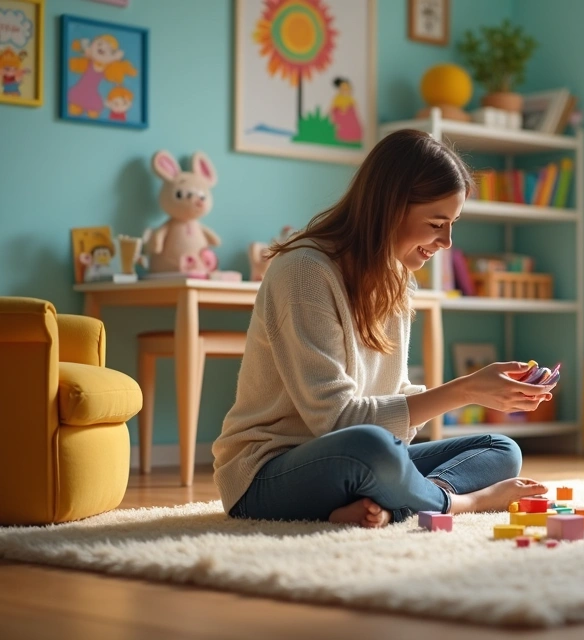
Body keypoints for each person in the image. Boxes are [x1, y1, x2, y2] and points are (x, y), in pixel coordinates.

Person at [213, 129, 554, 528]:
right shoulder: (304, 272)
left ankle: (395, 501)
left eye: (452, 224)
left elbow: (396, 402)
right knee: (372, 447)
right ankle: (459, 502)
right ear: (390, 209)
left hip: (358, 460)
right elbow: (337, 421)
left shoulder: (396, 277)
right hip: (268, 473)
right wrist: (465, 389)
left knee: (500, 448)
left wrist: (477, 394)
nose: (446, 241)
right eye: (436, 223)